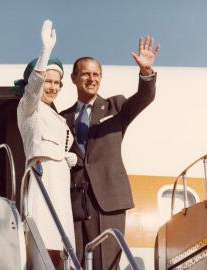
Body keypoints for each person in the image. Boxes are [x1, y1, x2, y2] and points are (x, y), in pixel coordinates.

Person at [60, 36, 160, 269]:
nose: (91, 79)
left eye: (96, 74)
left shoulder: (116, 107)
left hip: (109, 201)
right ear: (74, 78)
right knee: (77, 263)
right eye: (85, 74)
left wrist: (146, 72)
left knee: (106, 264)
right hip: (75, 202)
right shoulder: (62, 118)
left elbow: (144, 98)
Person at [15, 20, 77, 268]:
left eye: (57, 82)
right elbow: (33, 89)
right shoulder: (29, 108)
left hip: (60, 181)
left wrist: (65, 158)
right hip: (43, 178)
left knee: (62, 243)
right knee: (44, 238)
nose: (52, 87)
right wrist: (45, 53)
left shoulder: (58, 117)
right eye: (48, 81)